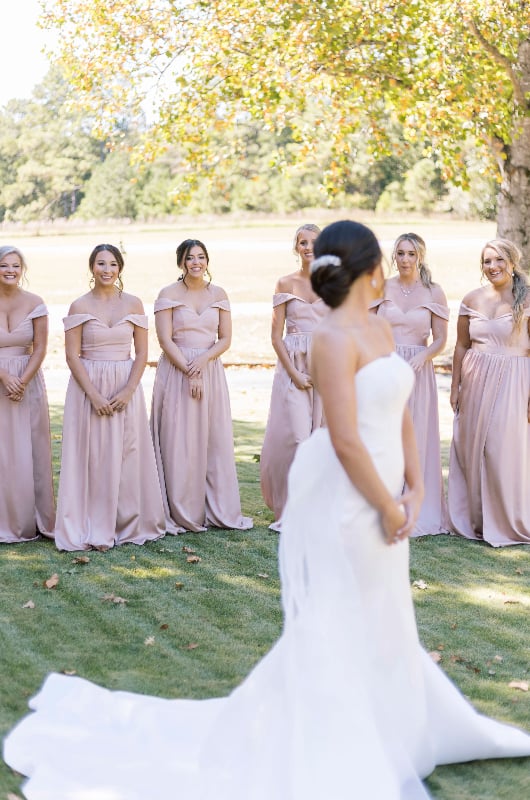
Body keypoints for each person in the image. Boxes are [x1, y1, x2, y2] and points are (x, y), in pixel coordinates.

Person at [5, 221, 530, 800]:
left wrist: (414, 487)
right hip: (349, 493)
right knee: (341, 609)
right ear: (363, 267)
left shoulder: (379, 327)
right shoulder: (331, 337)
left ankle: (396, 718)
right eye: (377, 259)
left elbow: (402, 409)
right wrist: (384, 501)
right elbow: (345, 437)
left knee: (386, 611)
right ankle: (332, 728)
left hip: (386, 486)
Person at [53, 244, 166, 551]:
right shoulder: (79, 306)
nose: (107, 269)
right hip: (88, 387)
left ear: (120, 268)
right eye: (101, 264)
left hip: (125, 385)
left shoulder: (133, 303)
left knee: (127, 453)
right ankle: (89, 520)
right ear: (92, 267)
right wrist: (94, 395)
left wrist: (128, 389)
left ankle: (127, 521)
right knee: (91, 455)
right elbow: (72, 356)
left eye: (112, 264)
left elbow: (142, 352)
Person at [150, 238, 252, 533]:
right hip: (176, 371)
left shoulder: (219, 294)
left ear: (207, 261)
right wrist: (189, 370)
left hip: (209, 372)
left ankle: (213, 507)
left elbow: (225, 339)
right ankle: (180, 509)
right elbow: (165, 339)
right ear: (181, 261)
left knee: (212, 439)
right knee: (177, 440)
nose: (196, 263)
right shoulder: (167, 294)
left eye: (201, 257)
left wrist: (204, 362)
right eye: (191, 258)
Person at [448, 238, 530, 546]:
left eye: (498, 260)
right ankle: (477, 519)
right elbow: (460, 345)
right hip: (475, 379)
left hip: (514, 379)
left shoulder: (527, 298)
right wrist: (455, 386)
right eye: (486, 261)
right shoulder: (471, 298)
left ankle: (508, 520)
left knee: (501, 448)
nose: (492, 266)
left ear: (511, 262)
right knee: (471, 448)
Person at [372, 232, 449, 536]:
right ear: (395, 257)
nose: (405, 260)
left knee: (415, 436)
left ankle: (416, 504)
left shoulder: (434, 292)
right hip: (385, 366)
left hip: (418, 369)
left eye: (411, 254)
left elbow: (442, 338)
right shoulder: (382, 287)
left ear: (421, 257)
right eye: (401, 253)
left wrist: (424, 356)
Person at [260, 223, 326, 531]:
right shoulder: (284, 283)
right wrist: (295, 374)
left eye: (314, 242)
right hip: (294, 366)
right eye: (302, 242)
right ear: (296, 247)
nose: (308, 247)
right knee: (300, 439)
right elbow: (275, 337)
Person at [0, 245, 55, 542]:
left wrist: (21, 379)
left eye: (15, 266)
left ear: (22, 270)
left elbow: (41, 347)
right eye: (4, 265)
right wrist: (5, 376)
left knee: (29, 450)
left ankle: (30, 519)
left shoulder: (35, 302)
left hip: (28, 382)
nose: (10, 271)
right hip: (1, 380)